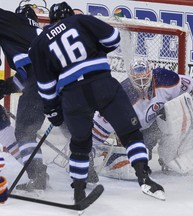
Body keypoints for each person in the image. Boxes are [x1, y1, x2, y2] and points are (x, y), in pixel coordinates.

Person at [28, 1, 165, 202]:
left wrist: (53, 111)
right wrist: (95, 49)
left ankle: (78, 193)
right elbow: (113, 38)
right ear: (69, 15)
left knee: (80, 145)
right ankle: (144, 178)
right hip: (103, 85)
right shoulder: (81, 20)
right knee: (130, 134)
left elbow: (46, 86)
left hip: (72, 95)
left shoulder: (38, 44)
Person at [91, 59, 193, 179]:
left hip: (156, 122)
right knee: (133, 170)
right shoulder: (122, 96)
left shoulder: (166, 79)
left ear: (150, 74)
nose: (142, 84)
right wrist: (87, 151)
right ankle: (108, 156)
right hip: (135, 131)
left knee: (177, 108)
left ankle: (172, 156)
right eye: (138, 80)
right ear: (130, 79)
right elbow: (99, 127)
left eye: (144, 79)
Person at [0, 5, 50, 191]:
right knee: (71, 130)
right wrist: (6, 87)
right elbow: (27, 75)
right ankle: (86, 167)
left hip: (38, 82)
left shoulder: (13, 23)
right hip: (57, 83)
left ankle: (37, 176)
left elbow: (31, 76)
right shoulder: (41, 32)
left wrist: (4, 87)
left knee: (24, 133)